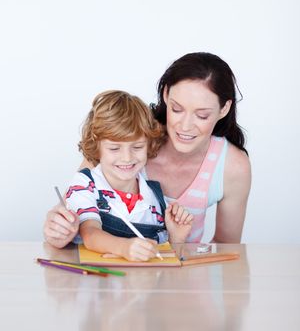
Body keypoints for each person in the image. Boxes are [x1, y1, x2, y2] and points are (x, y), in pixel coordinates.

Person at [44, 52, 251, 246]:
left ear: (224, 108)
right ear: (165, 93)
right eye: (177, 109)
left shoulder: (232, 166)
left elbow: (227, 250)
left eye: (202, 115)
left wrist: (180, 253)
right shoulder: (132, 135)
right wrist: (58, 226)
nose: (185, 126)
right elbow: (74, 201)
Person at [47, 90, 193, 261]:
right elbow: (90, 234)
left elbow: (164, 260)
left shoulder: (155, 199)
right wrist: (124, 248)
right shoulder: (85, 184)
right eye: (115, 148)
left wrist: (176, 239)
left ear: (149, 145)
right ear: (97, 147)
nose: (127, 157)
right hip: (96, 283)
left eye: (137, 147)